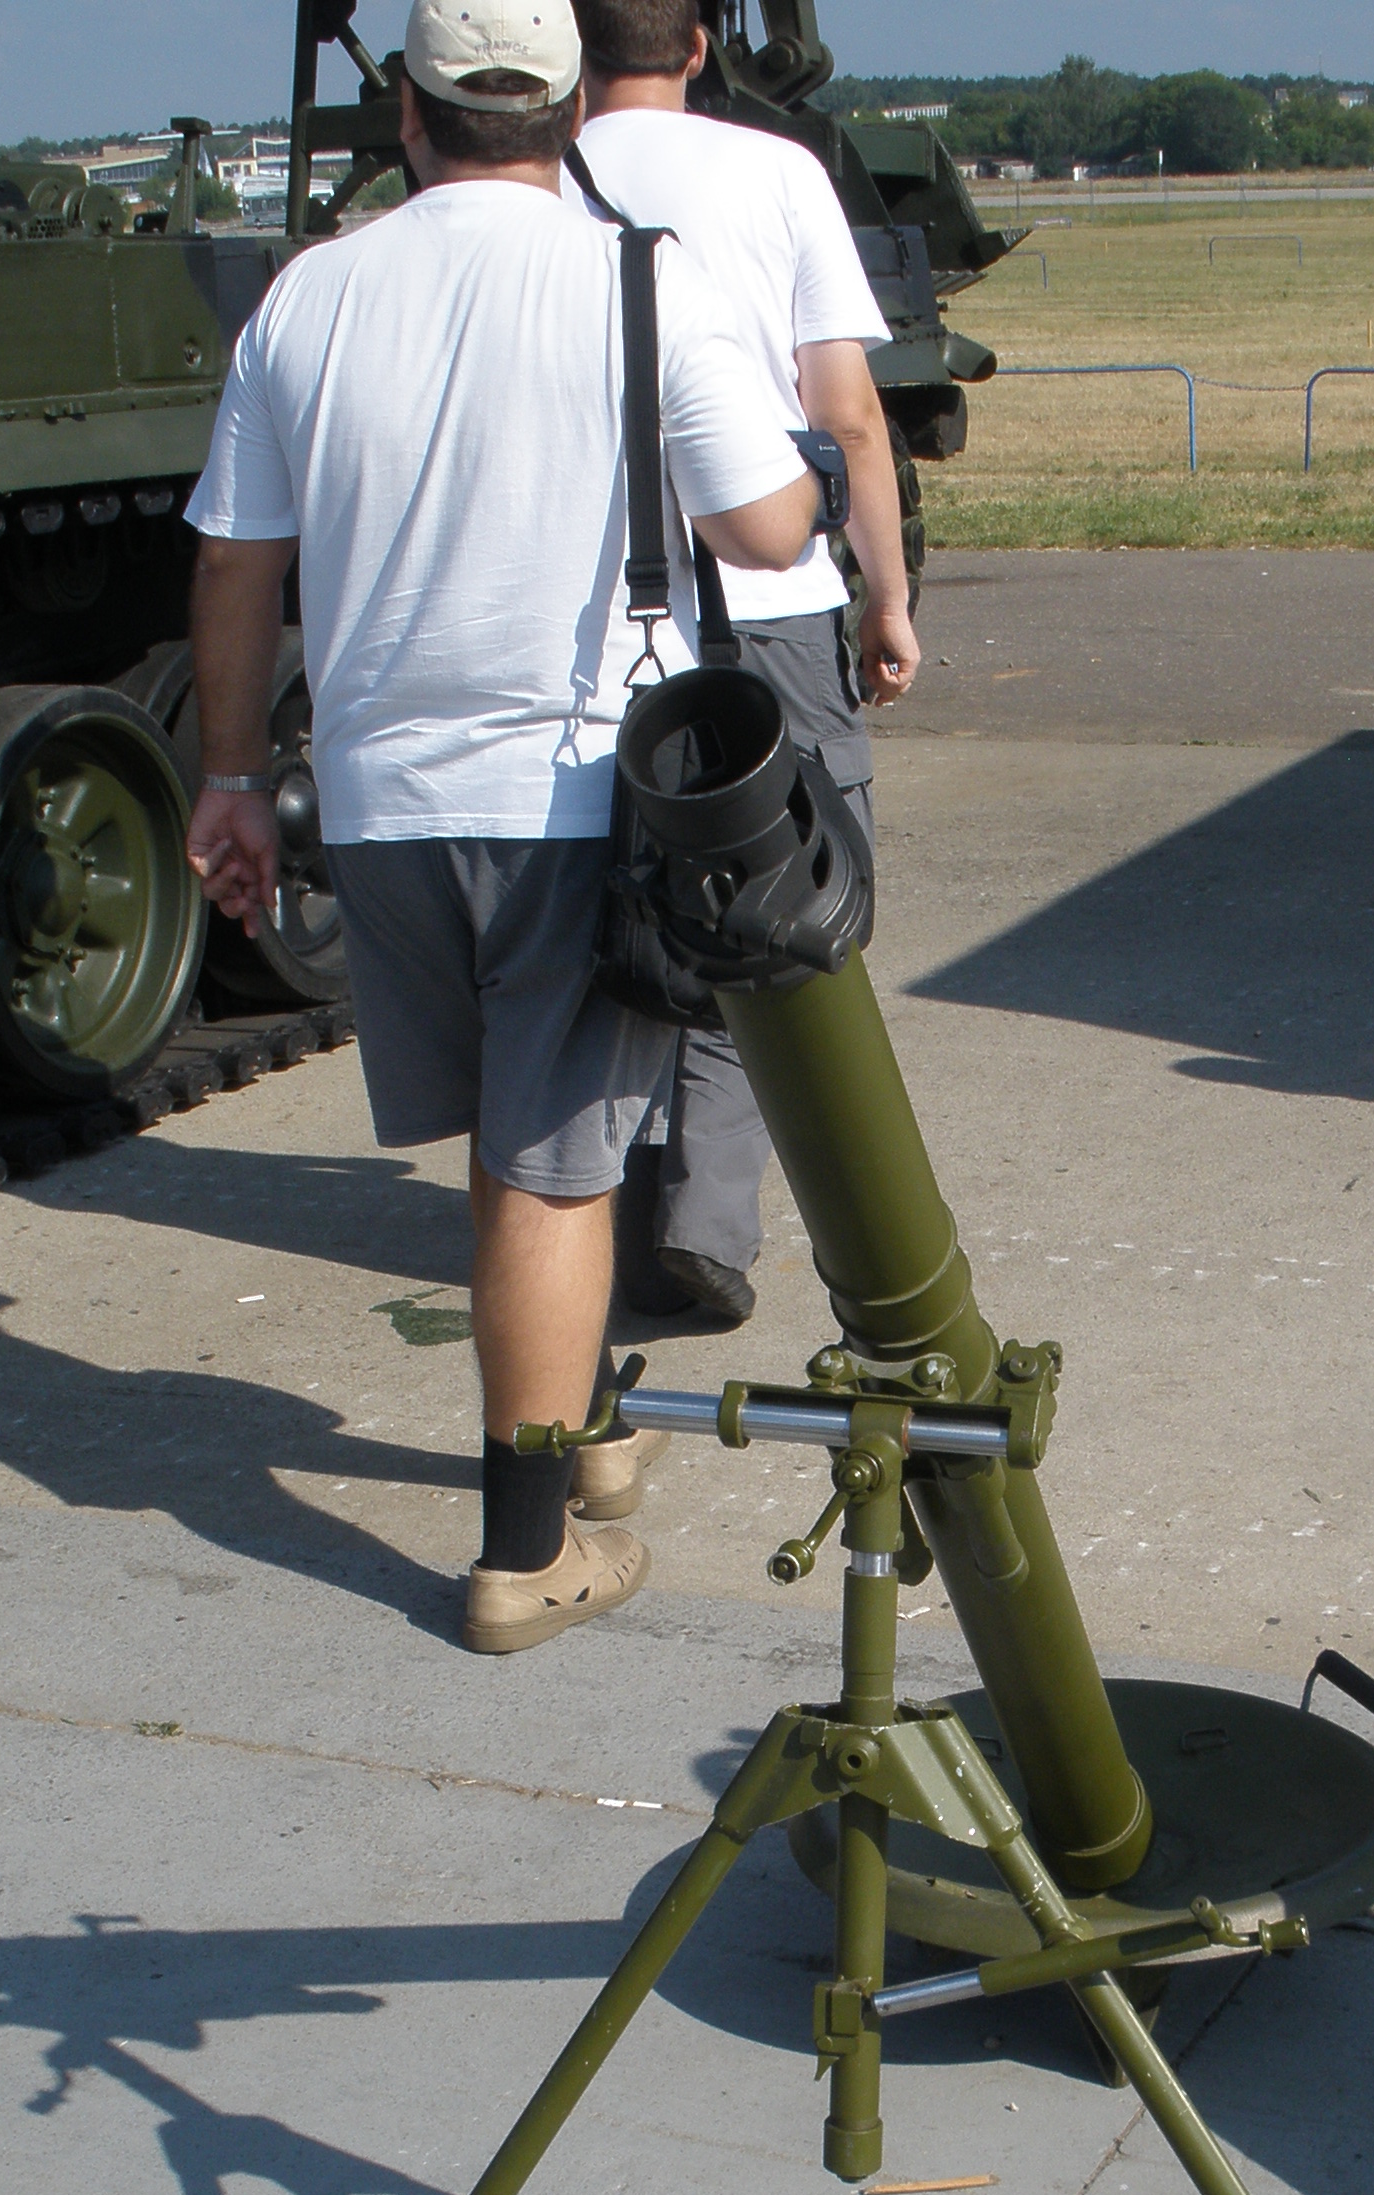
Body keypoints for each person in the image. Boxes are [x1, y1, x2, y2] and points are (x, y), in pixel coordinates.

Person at [183, 0, 814, 1655]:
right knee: (553, 1174)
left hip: (381, 805)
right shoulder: (642, 279)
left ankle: (586, 1425)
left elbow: (238, 559)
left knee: (515, 1151)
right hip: (570, 797)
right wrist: (810, 472)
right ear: (568, 110)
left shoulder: (309, 292)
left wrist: (231, 776)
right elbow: (766, 526)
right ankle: (529, 1552)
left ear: (409, 111)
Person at [569, 0, 919, 1328]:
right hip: (769, 595)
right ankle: (704, 1221)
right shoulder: (776, 172)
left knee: (622, 900)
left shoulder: (540, 182)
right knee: (786, 903)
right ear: (698, 46)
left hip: (593, 614)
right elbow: (848, 416)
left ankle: (601, 1200)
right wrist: (887, 596)